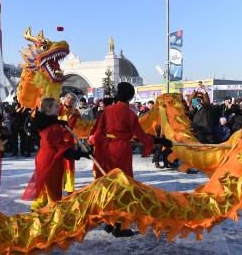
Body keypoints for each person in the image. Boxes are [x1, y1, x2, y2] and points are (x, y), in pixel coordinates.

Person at [90, 82, 171, 237]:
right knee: (123, 187)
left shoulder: (107, 111)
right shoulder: (129, 113)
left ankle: (108, 221)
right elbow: (141, 136)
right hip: (121, 151)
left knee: (109, 186)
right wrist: (160, 141)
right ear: (131, 96)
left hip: (107, 149)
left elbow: (97, 132)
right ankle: (119, 226)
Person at [22, 98, 90, 211]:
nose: (58, 107)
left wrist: (60, 122)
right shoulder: (52, 128)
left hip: (43, 158)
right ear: (48, 109)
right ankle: (54, 219)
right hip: (51, 161)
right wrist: (82, 154)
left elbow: (52, 127)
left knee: (46, 189)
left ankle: (38, 210)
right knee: (54, 194)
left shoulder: (45, 122)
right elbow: (64, 150)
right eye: (55, 106)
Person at [58, 92, 80, 194]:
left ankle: (69, 188)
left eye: (72, 99)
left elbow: (72, 127)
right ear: (64, 98)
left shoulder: (75, 113)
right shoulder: (58, 109)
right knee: (57, 164)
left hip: (68, 142)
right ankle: (58, 184)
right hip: (57, 141)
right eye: (68, 98)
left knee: (69, 164)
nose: (69, 100)